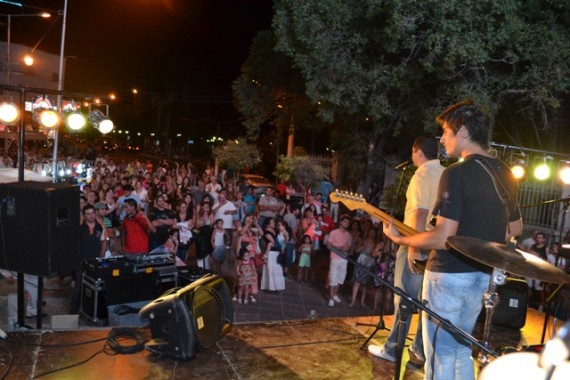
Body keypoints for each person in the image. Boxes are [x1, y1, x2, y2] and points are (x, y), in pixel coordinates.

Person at [382, 100, 522, 380]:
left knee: (441, 354)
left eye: (446, 131)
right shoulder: (505, 172)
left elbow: (443, 237)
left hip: (447, 276)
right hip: (480, 276)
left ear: (464, 131)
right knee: (460, 348)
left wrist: (402, 240)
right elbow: (515, 228)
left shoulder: (456, 173)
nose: (442, 138)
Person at [368, 134, 445, 367]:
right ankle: (420, 350)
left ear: (418, 152)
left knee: (404, 299)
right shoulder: (445, 173)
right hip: (436, 245)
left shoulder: (422, 175)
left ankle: (393, 349)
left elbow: (420, 213)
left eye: (413, 152)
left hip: (416, 243)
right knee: (426, 302)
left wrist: (412, 247)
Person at [71, 204, 107, 314]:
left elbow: (104, 240)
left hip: (94, 262)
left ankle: (92, 311)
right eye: (88, 213)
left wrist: (102, 253)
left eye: (92, 213)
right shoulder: (80, 229)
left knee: (94, 287)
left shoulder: (100, 227)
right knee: (78, 288)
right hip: (81, 261)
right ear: (84, 215)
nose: (91, 216)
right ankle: (73, 312)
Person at [326, 214, 353, 307]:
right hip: (335, 258)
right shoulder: (334, 232)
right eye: (345, 221)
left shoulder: (349, 235)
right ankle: (331, 298)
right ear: (341, 222)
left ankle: (334, 295)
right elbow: (328, 245)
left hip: (344, 259)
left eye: (348, 222)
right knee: (333, 278)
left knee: (340, 278)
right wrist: (340, 248)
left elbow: (349, 248)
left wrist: (347, 249)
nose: (346, 224)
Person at [259, 218, 286, 292]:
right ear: (268, 225)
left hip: (277, 252)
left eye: (274, 222)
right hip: (271, 253)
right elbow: (273, 242)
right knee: (271, 270)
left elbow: (281, 241)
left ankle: (277, 286)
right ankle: (270, 287)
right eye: (272, 222)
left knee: (277, 270)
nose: (274, 223)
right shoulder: (267, 233)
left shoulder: (276, 231)